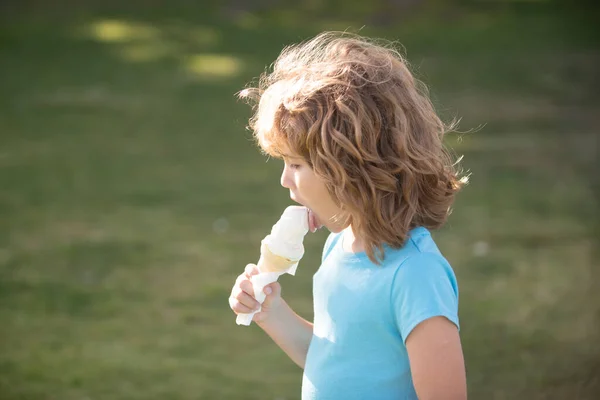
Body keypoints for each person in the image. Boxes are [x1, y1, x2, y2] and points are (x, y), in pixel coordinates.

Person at [229, 31, 468, 400]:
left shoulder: (416, 275)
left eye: (295, 164)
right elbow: (334, 360)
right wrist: (271, 311)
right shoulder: (339, 247)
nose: (284, 180)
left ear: (350, 169)